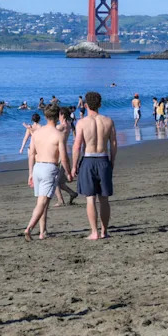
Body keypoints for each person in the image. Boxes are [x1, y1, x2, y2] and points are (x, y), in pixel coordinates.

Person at [71, 91, 118, 240]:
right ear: (100, 104)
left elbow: (77, 146)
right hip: (103, 159)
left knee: (90, 198)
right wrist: (112, 161)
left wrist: (74, 166)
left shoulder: (82, 123)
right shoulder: (108, 121)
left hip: (89, 160)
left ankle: (94, 232)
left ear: (85, 105)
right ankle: (104, 231)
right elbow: (114, 143)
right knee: (104, 199)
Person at [23, 104, 72, 241]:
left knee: (42, 202)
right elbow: (63, 157)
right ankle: (29, 228)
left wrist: (30, 173)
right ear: (58, 116)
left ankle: (43, 231)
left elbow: (31, 154)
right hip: (49, 168)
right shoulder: (58, 135)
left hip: (37, 167)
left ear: (45, 116)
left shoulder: (36, 133)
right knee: (42, 202)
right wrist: (68, 172)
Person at [54, 107, 79, 207]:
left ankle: (60, 200)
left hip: (59, 154)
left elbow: (49, 131)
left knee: (54, 180)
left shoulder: (60, 126)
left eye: (59, 114)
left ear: (62, 115)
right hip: (63, 152)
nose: (58, 116)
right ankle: (72, 193)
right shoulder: (68, 124)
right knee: (59, 181)